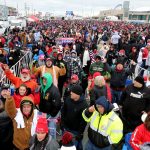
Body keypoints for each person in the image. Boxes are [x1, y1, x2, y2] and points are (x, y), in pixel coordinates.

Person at [61, 85, 88, 150]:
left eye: (73, 92)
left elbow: (83, 121)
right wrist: (62, 123)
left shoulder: (84, 105)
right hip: (66, 128)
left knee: (74, 147)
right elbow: (63, 111)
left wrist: (80, 133)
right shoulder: (68, 99)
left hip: (75, 132)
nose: (71, 93)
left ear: (77, 94)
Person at [39, 73, 61, 139]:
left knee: (51, 131)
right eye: (43, 79)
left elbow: (57, 105)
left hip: (51, 115)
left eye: (46, 80)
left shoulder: (54, 90)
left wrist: (51, 115)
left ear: (49, 80)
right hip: (44, 114)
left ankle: (52, 144)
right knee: (43, 130)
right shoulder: (42, 88)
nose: (44, 81)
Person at [0, 84, 13, 150]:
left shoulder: (12, 100)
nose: (5, 92)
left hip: (9, 132)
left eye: (7, 91)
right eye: (3, 91)